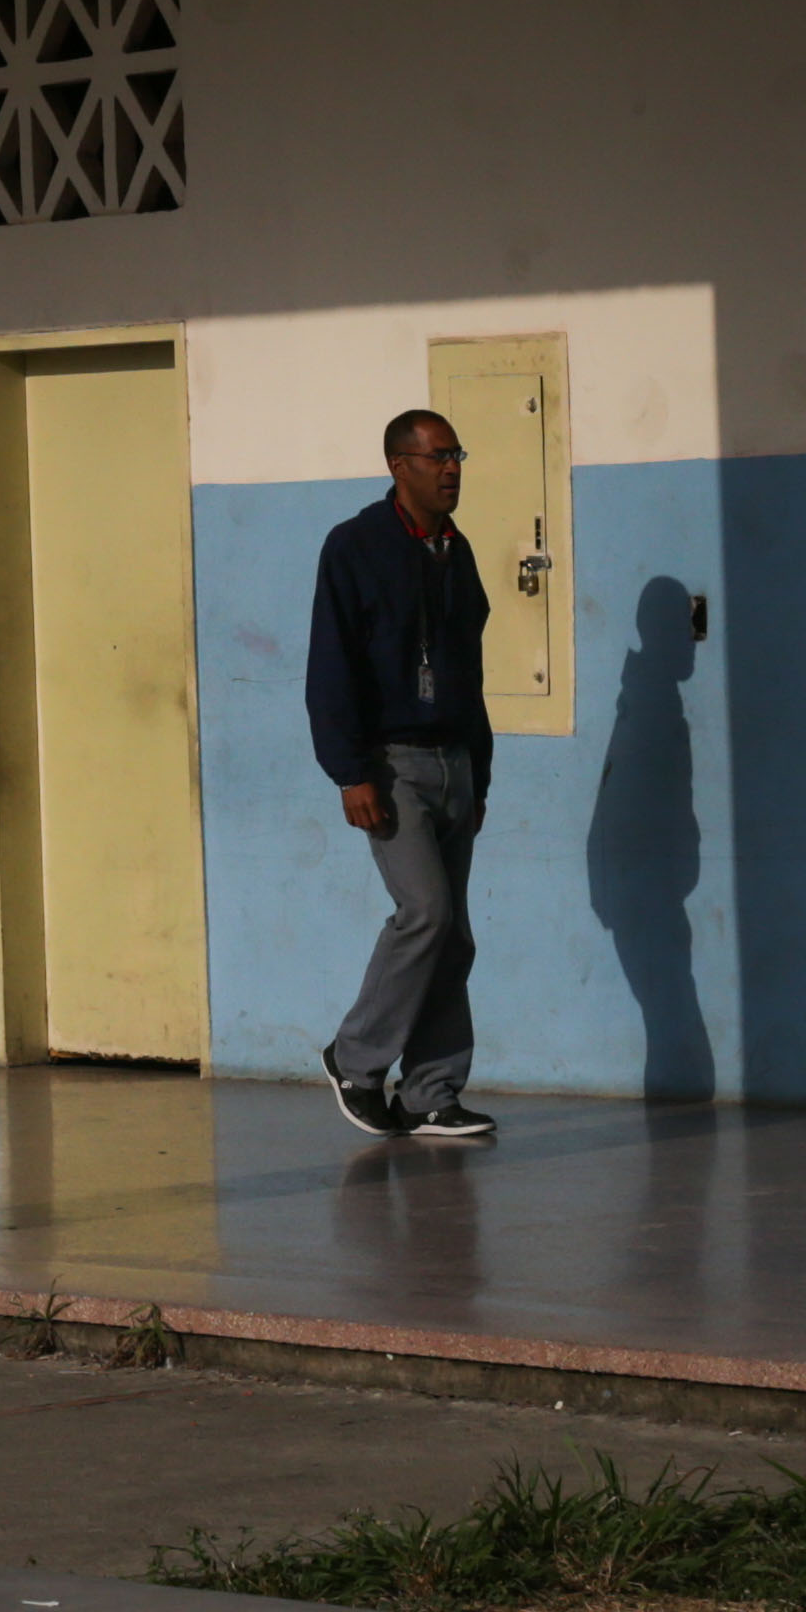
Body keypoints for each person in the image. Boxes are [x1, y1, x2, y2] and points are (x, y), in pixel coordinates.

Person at [305, 407, 499, 1143]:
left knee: (454, 934)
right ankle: (353, 1059)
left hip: (454, 762)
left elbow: (470, 672)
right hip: (391, 766)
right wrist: (350, 772)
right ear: (398, 465)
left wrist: (479, 774)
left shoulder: (457, 550)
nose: (451, 469)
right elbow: (331, 667)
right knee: (424, 913)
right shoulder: (354, 547)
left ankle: (430, 1093)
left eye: (457, 455)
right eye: (436, 457)